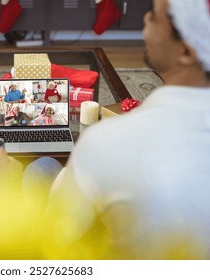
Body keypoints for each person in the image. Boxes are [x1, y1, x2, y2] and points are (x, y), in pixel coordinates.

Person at [50, 0, 210, 258]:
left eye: (154, 17)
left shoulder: (107, 141)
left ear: (187, 52)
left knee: (44, 166)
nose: (145, 20)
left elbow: (57, 235)